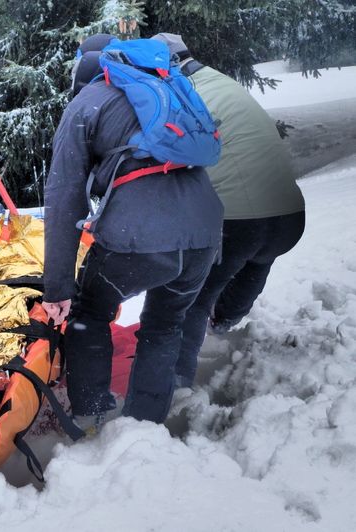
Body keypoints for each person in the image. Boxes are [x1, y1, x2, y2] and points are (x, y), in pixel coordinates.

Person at [42, 35, 224, 428]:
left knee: (88, 311)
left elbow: (63, 198)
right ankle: (146, 426)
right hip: (205, 234)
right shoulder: (164, 89)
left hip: (141, 235)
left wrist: (57, 288)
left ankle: (92, 422)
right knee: (164, 325)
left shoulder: (85, 103)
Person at [150, 33, 306, 387]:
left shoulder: (183, 93)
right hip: (291, 216)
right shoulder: (221, 82)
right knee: (256, 262)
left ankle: (177, 383)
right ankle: (224, 327)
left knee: (194, 297)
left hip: (241, 223)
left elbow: (172, 160)